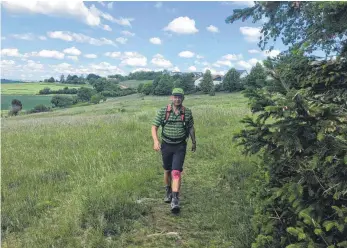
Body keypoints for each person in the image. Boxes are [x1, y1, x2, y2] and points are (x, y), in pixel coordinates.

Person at [151, 88, 196, 213]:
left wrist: (194, 142)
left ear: (183, 98)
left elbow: (191, 127)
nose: (177, 99)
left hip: (180, 146)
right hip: (166, 145)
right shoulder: (164, 111)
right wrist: (156, 141)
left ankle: (175, 200)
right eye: (175, 97)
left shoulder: (187, 112)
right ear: (171, 98)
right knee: (167, 170)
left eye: (179, 97)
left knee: (176, 172)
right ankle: (168, 190)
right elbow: (154, 127)